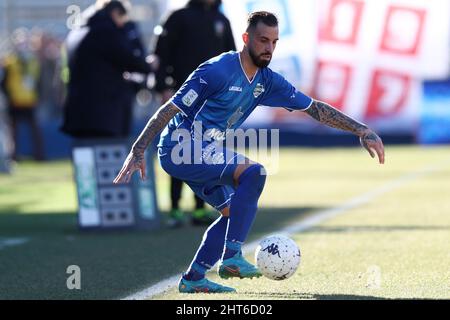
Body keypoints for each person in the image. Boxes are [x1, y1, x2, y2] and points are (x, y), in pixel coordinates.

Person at [113, 11, 385, 293]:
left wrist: (361, 130)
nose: (268, 48)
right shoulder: (216, 70)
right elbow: (170, 108)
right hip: (180, 147)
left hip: (203, 151)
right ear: (246, 39)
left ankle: (194, 277)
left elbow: (314, 108)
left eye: (274, 42)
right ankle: (231, 257)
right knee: (254, 173)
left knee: (234, 211)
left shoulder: (267, 81)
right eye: (262, 40)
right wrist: (138, 149)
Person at [153, 0, 236, 228]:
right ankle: (176, 209)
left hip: (213, 102)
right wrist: (163, 87)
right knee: (178, 149)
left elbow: (233, 60)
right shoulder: (178, 17)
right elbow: (161, 54)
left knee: (206, 154)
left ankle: (200, 209)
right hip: (182, 97)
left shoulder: (221, 20)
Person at [61, 1, 153, 139]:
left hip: (78, 112)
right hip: (101, 114)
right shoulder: (105, 31)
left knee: (85, 157)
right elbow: (130, 60)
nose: (122, 25)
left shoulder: (78, 31)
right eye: (123, 19)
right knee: (106, 155)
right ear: (115, 13)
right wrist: (149, 65)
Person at [1, 28, 45, 161]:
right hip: (15, 101)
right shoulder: (9, 62)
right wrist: (9, 98)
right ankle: (13, 156)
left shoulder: (33, 61)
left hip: (30, 101)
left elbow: (38, 81)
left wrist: (38, 97)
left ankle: (39, 155)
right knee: (14, 131)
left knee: (35, 130)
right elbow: (4, 83)